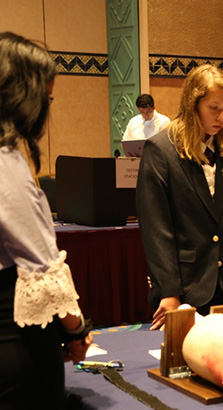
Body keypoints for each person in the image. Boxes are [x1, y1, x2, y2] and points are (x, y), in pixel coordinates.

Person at [0, 31, 92, 408]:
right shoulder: (6, 162)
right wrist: (77, 330)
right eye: (48, 98)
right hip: (15, 342)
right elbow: (42, 269)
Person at [137, 64, 223, 330]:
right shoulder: (160, 151)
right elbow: (157, 230)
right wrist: (168, 291)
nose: (222, 117)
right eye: (214, 108)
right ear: (193, 104)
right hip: (185, 286)